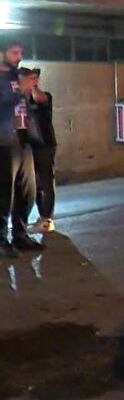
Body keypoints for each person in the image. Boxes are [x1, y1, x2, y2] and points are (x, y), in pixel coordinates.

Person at [0, 46, 38, 257]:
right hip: (3, 143)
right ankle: (1, 240)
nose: (19, 57)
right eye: (14, 52)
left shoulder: (17, 76)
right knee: (4, 194)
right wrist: (19, 92)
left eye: (21, 52)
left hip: (23, 141)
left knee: (27, 192)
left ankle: (21, 235)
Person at [26, 68, 56, 234]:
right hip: (29, 147)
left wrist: (32, 86)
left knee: (45, 181)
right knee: (35, 183)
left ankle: (47, 219)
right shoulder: (20, 99)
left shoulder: (44, 96)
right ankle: (42, 217)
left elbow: (39, 98)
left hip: (45, 144)